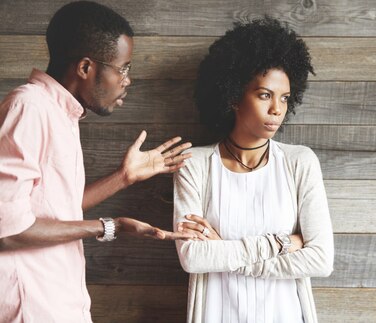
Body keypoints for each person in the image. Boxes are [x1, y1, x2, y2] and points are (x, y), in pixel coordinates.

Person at [0, 2, 195, 322]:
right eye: (123, 68)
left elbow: (50, 210)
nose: (127, 80)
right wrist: (109, 227)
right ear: (86, 67)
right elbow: (7, 229)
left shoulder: (59, 113)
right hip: (32, 307)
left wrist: (124, 177)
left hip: (59, 300)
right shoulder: (29, 108)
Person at [173, 17, 334, 323]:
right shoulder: (194, 164)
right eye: (264, 95)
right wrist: (280, 244)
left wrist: (227, 255)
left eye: (284, 98)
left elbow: (321, 260)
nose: (277, 109)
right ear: (233, 96)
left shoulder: (300, 162)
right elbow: (192, 257)